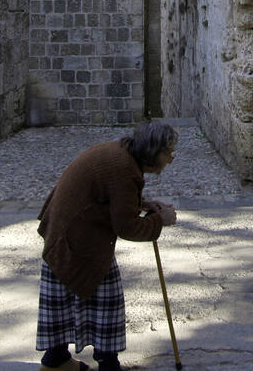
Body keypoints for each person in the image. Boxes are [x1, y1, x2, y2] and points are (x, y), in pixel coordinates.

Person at [35, 122, 179, 371]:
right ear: (152, 152)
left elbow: (116, 199)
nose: (171, 158)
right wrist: (160, 220)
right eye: (167, 152)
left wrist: (145, 205)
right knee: (106, 298)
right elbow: (127, 227)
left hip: (69, 232)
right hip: (74, 238)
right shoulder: (123, 169)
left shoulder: (122, 155)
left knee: (69, 298)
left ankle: (56, 359)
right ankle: (102, 365)